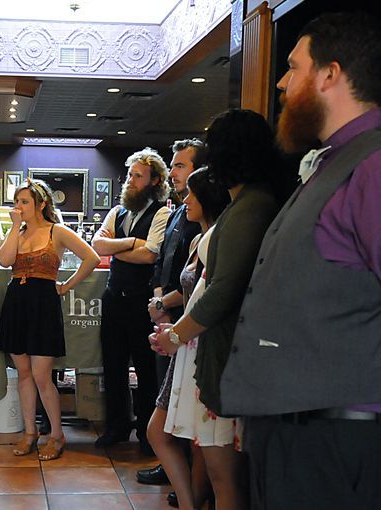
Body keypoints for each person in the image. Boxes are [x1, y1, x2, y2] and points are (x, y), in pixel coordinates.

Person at [221, 12, 381, 510]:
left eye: (293, 67)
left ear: (330, 75)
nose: (282, 82)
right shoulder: (334, 160)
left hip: (336, 439)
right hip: (299, 433)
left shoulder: (373, 166)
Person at [152, 109, 290, 510]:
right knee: (216, 470)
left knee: (225, 477)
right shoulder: (247, 203)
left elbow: (224, 288)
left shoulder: (251, 206)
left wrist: (176, 335)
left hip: (229, 353)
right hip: (218, 348)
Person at [0, 178, 99, 460]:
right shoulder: (18, 232)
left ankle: (57, 434)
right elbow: (4, 260)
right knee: (23, 374)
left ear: (41, 204)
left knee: (42, 376)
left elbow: (91, 257)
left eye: (24, 202)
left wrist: (66, 286)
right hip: (17, 301)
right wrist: (15, 227)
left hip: (43, 304)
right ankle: (30, 432)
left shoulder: (58, 231)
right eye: (16, 202)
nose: (18, 207)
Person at [156, 168, 230, 510]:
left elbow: (212, 299)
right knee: (187, 438)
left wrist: (175, 332)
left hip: (198, 345)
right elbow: (192, 297)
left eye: (191, 194)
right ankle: (191, 501)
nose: (184, 200)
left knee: (187, 440)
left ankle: (192, 502)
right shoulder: (199, 239)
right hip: (186, 343)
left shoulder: (218, 237)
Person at [91, 147, 171, 453]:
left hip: (141, 301)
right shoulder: (117, 211)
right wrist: (130, 243)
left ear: (153, 181)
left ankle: (147, 433)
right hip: (114, 298)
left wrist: (118, 248)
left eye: (137, 176)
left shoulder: (162, 212)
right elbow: (98, 245)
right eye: (129, 175)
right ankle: (117, 426)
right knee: (112, 366)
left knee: (146, 369)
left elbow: (150, 254)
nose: (130, 180)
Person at [137, 140, 205, 492]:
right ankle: (173, 468)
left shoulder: (202, 215)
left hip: (189, 317)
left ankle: (189, 478)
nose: (174, 171)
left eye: (180, 165)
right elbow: (165, 260)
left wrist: (168, 306)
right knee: (168, 392)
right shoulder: (179, 209)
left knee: (180, 403)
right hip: (168, 308)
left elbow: (198, 276)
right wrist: (158, 298)